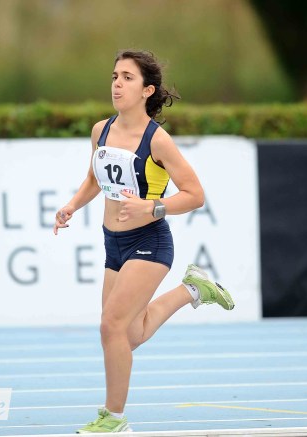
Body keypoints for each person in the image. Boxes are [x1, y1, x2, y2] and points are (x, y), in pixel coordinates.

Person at [54, 50, 235, 433]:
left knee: (110, 327)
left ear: (147, 90)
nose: (117, 84)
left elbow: (195, 195)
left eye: (127, 78)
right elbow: (94, 179)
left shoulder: (158, 141)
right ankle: (192, 290)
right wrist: (71, 205)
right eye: (114, 76)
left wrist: (152, 208)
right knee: (129, 335)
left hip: (149, 242)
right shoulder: (101, 131)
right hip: (113, 244)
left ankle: (115, 419)